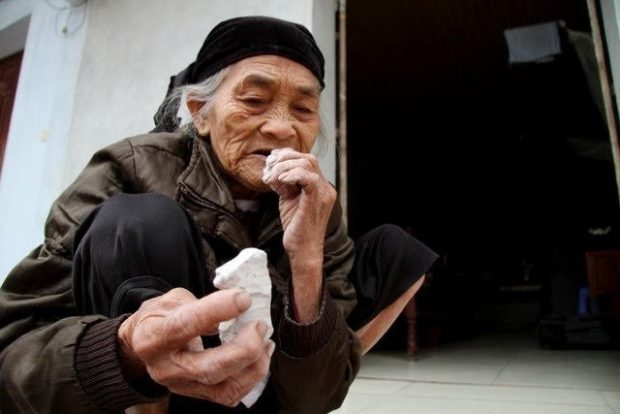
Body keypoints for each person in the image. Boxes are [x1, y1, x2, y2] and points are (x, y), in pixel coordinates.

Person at [0, 16, 438, 413]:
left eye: (303, 110)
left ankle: (327, 362)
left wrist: (306, 261)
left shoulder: (316, 200)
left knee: (402, 252)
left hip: (267, 379)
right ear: (200, 113)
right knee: (141, 222)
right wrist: (124, 351)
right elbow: (13, 349)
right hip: (146, 389)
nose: (283, 127)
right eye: (253, 101)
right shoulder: (127, 169)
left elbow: (314, 401)